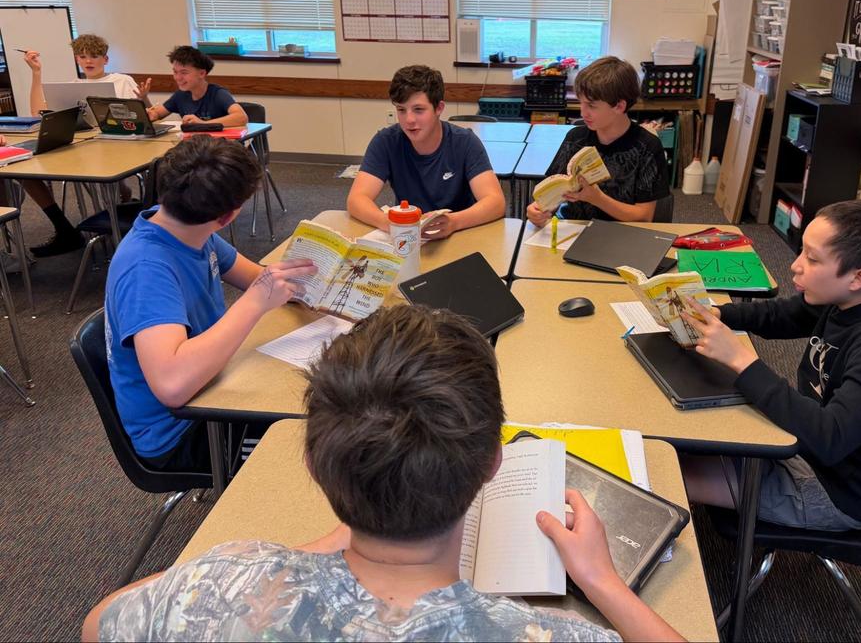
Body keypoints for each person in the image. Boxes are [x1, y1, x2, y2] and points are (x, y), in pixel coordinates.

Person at [84, 305, 686, 642]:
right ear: (492, 467)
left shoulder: (218, 587)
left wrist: (275, 566)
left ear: (314, 465)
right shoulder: (554, 638)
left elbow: (98, 624)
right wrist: (603, 582)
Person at [678, 199, 861, 532]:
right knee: (682, 438)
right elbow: (783, 315)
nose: (795, 266)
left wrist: (741, 360)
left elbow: (830, 437)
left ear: (858, 277)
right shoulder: (850, 299)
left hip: (834, 490)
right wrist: (717, 314)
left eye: (812, 258)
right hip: (804, 443)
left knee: (667, 473)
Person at [104, 135, 315, 470]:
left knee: (325, 403)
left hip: (215, 387)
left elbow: (254, 276)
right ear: (229, 216)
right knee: (325, 445)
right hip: (182, 430)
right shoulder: (146, 268)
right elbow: (172, 386)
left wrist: (316, 287)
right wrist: (258, 299)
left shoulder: (183, 224)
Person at [7, 35, 151, 257]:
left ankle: (123, 197)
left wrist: (145, 100)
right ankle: (64, 229)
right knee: (26, 170)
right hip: (81, 149)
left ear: (105, 59)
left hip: (117, 146)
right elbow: (38, 114)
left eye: (94, 56)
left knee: (109, 169)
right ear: (77, 59)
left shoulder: (121, 80)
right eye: (83, 57)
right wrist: (36, 73)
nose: (88, 61)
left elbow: (142, 116)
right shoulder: (72, 87)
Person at [347, 64, 505, 240]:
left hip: (459, 234)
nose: (409, 120)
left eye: (418, 110)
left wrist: (454, 222)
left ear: (439, 108)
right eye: (401, 110)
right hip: (408, 238)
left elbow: (496, 202)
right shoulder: (386, 141)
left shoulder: (465, 142)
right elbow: (356, 199)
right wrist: (389, 223)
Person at [527, 56, 669, 227]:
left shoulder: (647, 146)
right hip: (574, 232)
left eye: (591, 106)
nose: (583, 113)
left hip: (623, 235)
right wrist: (539, 210)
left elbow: (644, 217)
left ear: (619, 106)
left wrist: (598, 199)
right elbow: (553, 189)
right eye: (581, 103)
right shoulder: (576, 138)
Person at [147, 46, 248, 128]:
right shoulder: (180, 95)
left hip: (220, 147)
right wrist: (151, 114)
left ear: (202, 73)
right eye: (175, 72)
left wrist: (202, 124)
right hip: (194, 146)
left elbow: (241, 117)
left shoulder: (218, 94)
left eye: (184, 72)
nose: (178, 77)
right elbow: (158, 114)